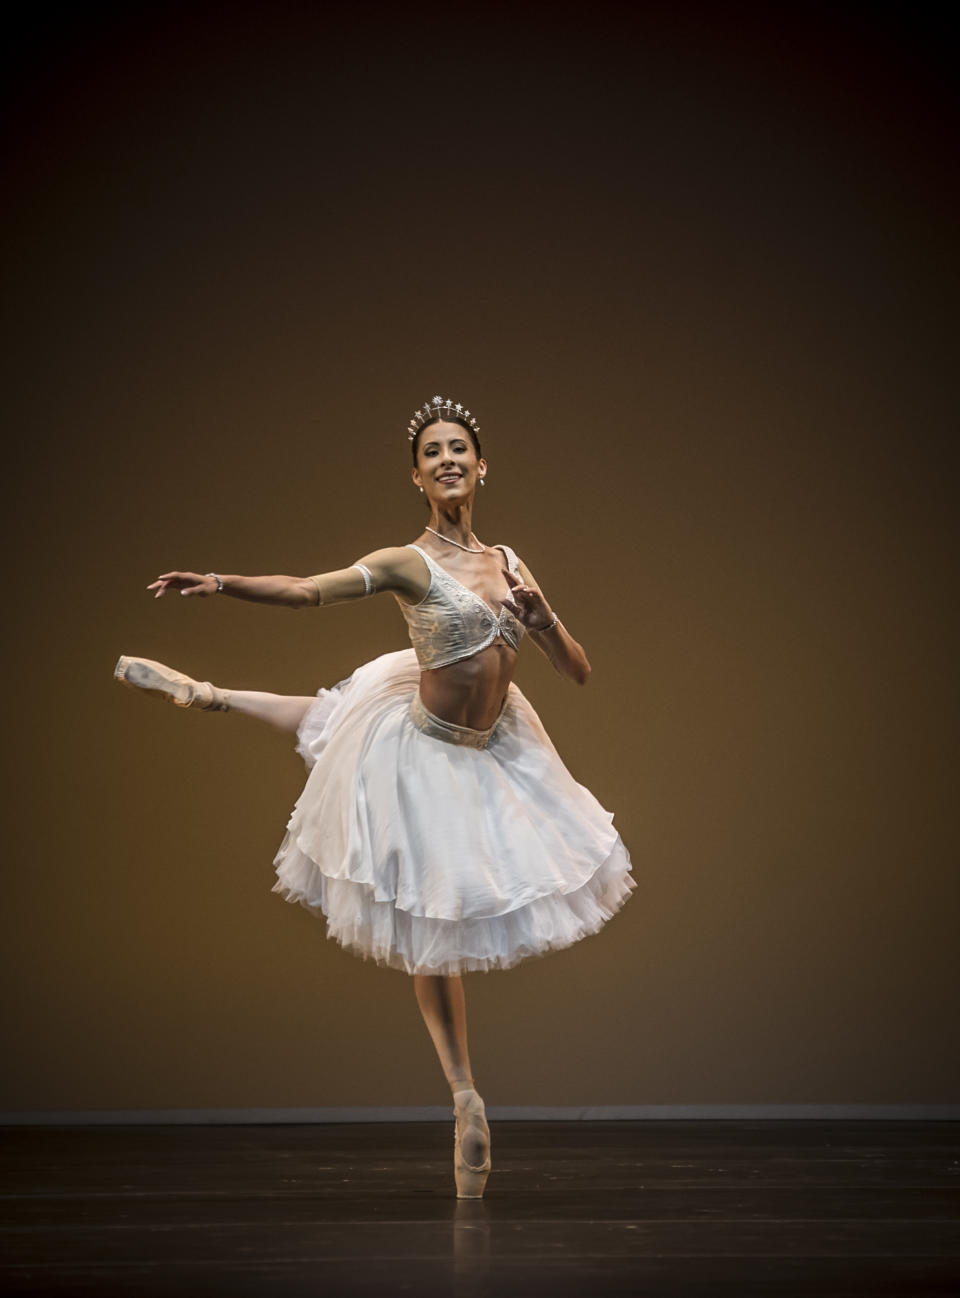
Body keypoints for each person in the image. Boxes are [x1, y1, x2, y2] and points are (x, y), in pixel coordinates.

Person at [114, 394, 636, 1199]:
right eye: (433, 452)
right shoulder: (407, 561)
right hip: (422, 746)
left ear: (482, 464)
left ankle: (209, 694)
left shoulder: (511, 562)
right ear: (418, 476)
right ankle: (465, 1097)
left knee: (331, 722)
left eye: (459, 447)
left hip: (493, 749)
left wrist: (543, 619)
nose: (448, 459)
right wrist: (220, 581)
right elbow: (302, 592)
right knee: (407, 872)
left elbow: (579, 672)